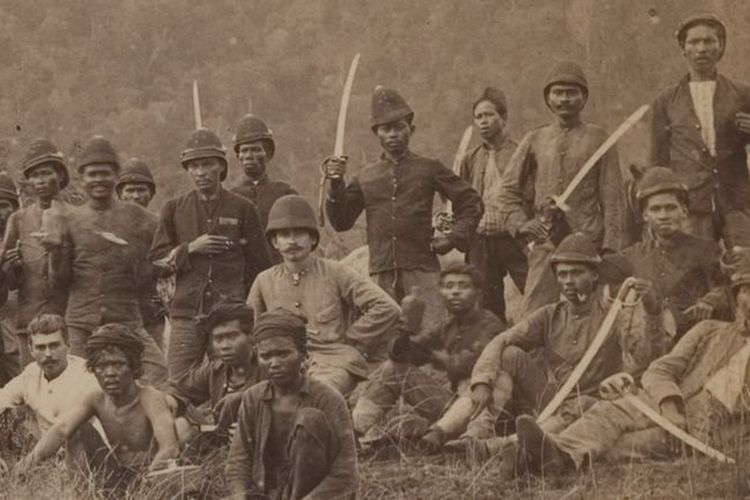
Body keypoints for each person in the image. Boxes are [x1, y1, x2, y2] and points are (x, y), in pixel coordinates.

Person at [510, 262, 750, 479]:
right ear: (737, 297)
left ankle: (541, 459)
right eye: (747, 290)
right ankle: (549, 454)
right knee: (606, 413)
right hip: (666, 402)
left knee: (626, 444)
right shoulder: (709, 330)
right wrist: (669, 404)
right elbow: (659, 369)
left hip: (707, 429)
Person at [458, 233, 666, 457]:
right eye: (562, 274)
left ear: (594, 275)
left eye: (577, 273)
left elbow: (644, 359)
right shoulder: (550, 314)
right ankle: (476, 433)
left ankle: (501, 446)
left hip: (592, 404)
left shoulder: (615, 315)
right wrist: (482, 381)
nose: (568, 280)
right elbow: (501, 340)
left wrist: (653, 313)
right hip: (551, 398)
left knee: (582, 404)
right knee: (509, 355)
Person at [324, 86, 483, 332]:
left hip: (422, 269)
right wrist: (335, 184)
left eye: (399, 127)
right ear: (377, 134)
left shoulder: (429, 168)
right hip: (380, 272)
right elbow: (341, 221)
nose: (393, 134)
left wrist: (452, 238)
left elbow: (471, 201)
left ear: (412, 130)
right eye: (386, 129)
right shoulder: (366, 177)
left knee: (431, 333)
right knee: (386, 338)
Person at [498, 61, 626, 316]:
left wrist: (610, 249)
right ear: (548, 98)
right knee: (535, 311)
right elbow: (507, 191)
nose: (564, 99)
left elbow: (613, 199)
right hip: (546, 243)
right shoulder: (535, 139)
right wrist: (522, 225)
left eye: (571, 92)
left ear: (583, 97)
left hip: (588, 241)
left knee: (589, 313)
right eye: (558, 93)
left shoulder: (599, 138)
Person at [150, 128, 271, 381]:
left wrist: (242, 306)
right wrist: (190, 249)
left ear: (221, 168)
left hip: (229, 313)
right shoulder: (173, 209)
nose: (200, 172)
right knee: (177, 382)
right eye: (194, 166)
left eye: (207, 164)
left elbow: (259, 265)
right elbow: (158, 262)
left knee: (232, 378)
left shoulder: (242, 207)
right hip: (186, 312)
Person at [248, 194, 400, 395]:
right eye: (284, 235)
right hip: (281, 363)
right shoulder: (264, 280)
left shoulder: (336, 272)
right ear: (275, 242)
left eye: (300, 233)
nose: (292, 241)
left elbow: (388, 308)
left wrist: (352, 338)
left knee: (317, 394)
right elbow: (250, 326)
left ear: (312, 238)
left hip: (334, 361)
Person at [50, 136, 167, 386]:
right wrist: (55, 251)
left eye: (105, 173)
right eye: (91, 174)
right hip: (81, 323)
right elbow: (60, 280)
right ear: (81, 179)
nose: (98, 180)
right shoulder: (71, 219)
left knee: (159, 377)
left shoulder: (143, 219)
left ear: (116, 176)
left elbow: (157, 267)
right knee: (74, 387)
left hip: (127, 318)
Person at [351, 262, 505, 450]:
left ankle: (443, 437)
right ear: (441, 293)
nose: (455, 292)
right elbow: (404, 355)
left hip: (480, 410)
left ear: (477, 293)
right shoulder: (448, 325)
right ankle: (354, 430)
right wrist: (407, 330)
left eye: (463, 286)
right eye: (449, 286)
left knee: (468, 386)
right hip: (451, 405)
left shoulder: (490, 324)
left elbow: (465, 364)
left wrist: (428, 354)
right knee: (392, 369)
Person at [14, 324, 179, 486]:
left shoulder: (150, 398)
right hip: (114, 478)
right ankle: (80, 493)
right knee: (77, 431)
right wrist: (25, 465)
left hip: (151, 477)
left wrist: (147, 484)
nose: (109, 373)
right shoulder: (96, 398)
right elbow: (61, 429)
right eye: (102, 366)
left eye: (118, 364)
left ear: (133, 366)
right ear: (93, 369)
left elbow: (169, 448)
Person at [225, 309, 358, 500]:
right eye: (266, 356)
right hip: (266, 493)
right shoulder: (253, 398)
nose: (275, 363)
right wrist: (239, 496)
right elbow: (239, 460)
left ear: (303, 354)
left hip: (317, 496)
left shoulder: (328, 399)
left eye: (283, 354)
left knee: (309, 419)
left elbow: (345, 472)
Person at [649, 12, 750, 248]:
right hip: (690, 204)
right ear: (683, 48)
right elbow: (657, 160)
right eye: (694, 42)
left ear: (721, 46)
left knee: (746, 266)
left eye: (709, 41)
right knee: (696, 271)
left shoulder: (742, 94)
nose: (701, 49)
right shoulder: (666, 101)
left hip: (736, 199)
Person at [619, 166, 727, 337]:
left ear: (684, 211)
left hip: (694, 338)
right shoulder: (633, 255)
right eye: (655, 209)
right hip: (650, 343)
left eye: (670, 208)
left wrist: (709, 302)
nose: (663, 215)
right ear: (645, 215)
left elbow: (725, 286)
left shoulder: (706, 250)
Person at [1, 139, 71, 370]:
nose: (40, 181)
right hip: (29, 316)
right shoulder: (18, 219)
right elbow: (9, 279)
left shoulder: (76, 216)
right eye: (34, 175)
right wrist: (14, 266)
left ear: (60, 175)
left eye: (46, 173)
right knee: (31, 384)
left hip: (68, 315)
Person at [459, 87, 527, 324]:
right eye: (478, 117)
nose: (483, 122)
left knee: (535, 291)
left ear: (503, 117)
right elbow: (464, 200)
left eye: (489, 115)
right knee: (485, 306)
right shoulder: (470, 158)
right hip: (481, 240)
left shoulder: (521, 153)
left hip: (514, 237)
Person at [0, 314, 101, 466]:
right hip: (44, 457)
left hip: (85, 459)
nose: (48, 354)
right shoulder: (31, 373)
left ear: (68, 346)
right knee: (7, 416)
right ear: (31, 350)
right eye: (40, 347)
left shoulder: (88, 376)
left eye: (54, 345)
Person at [166, 302, 261, 441]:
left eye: (232, 337)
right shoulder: (216, 370)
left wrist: (243, 397)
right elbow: (178, 389)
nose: (224, 346)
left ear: (252, 336)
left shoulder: (268, 367)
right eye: (218, 339)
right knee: (180, 425)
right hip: (222, 444)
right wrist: (172, 399)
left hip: (261, 445)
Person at [230, 114, 297, 263]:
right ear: (238, 156)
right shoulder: (229, 198)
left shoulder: (285, 194)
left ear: (268, 154)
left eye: (255, 149)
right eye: (244, 150)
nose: (249, 155)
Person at [115, 157, 165, 348]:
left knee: (154, 363)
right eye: (130, 190)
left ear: (150, 194)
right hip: (117, 310)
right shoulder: (109, 224)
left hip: (150, 310)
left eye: (141, 190)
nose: (135, 196)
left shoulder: (159, 224)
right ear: (120, 194)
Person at [0, 172, 21, 384]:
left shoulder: (23, 236)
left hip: (16, 314)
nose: (0, 212)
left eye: (4, 205)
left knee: (17, 361)